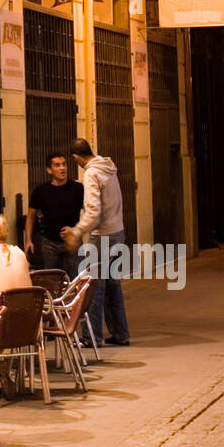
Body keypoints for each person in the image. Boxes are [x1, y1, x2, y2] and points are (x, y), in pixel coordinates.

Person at [60, 138, 130, 347]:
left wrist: (76, 231)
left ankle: (92, 337)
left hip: (103, 236)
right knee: (113, 286)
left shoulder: (91, 173)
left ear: (76, 157)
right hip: (118, 232)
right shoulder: (109, 168)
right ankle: (121, 334)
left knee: (94, 286)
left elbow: (94, 212)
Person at [25, 153, 84, 279]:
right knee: (53, 280)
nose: (62, 168)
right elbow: (30, 217)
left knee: (76, 280)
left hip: (73, 241)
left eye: (64, 164)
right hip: (50, 243)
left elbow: (91, 213)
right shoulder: (41, 191)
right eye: (57, 165)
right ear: (49, 170)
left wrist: (77, 230)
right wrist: (28, 240)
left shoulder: (78, 188)